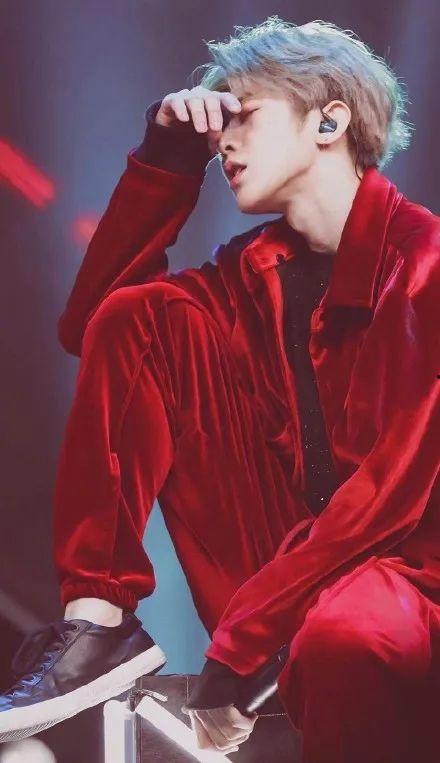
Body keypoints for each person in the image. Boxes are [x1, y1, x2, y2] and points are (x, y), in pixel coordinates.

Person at [1, 14, 439, 762]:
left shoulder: (423, 261)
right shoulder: (250, 274)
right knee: (141, 314)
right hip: (283, 571)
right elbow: (97, 326)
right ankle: (98, 625)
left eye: (245, 115)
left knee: (346, 630)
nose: (224, 142)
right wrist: (168, 160)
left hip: (405, 575)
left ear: (329, 121)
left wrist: (240, 645)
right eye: (218, 123)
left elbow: (386, 496)